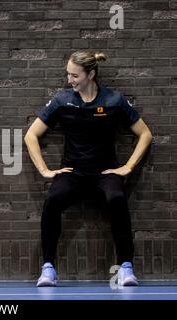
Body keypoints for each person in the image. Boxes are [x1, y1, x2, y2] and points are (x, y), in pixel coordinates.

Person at [24, 51, 152, 287]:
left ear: (91, 74)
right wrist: (45, 170)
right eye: (68, 75)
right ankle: (48, 269)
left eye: (75, 75)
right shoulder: (62, 101)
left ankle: (125, 267)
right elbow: (31, 135)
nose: (69, 80)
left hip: (105, 173)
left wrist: (127, 167)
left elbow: (145, 134)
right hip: (73, 173)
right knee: (52, 200)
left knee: (117, 199)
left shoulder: (113, 100)